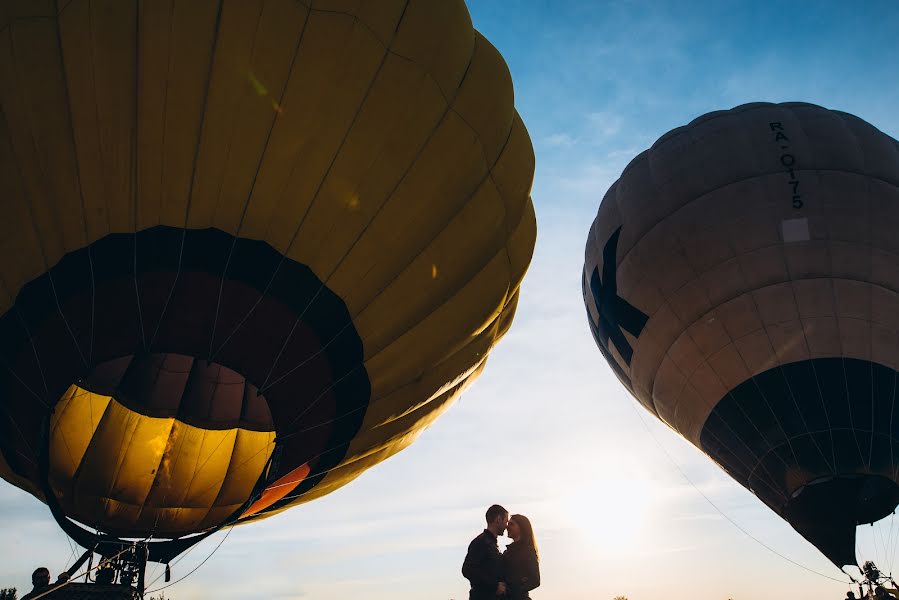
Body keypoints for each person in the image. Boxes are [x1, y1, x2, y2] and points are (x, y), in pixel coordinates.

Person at [463, 504, 508, 599]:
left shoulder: (490, 543)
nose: (506, 526)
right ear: (498, 519)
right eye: (506, 521)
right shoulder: (481, 542)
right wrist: (494, 586)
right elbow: (468, 569)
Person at [503, 514, 540, 599]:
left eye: (511, 524)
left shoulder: (528, 551)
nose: (507, 527)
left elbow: (535, 580)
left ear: (521, 528)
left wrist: (510, 590)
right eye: (508, 524)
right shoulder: (507, 552)